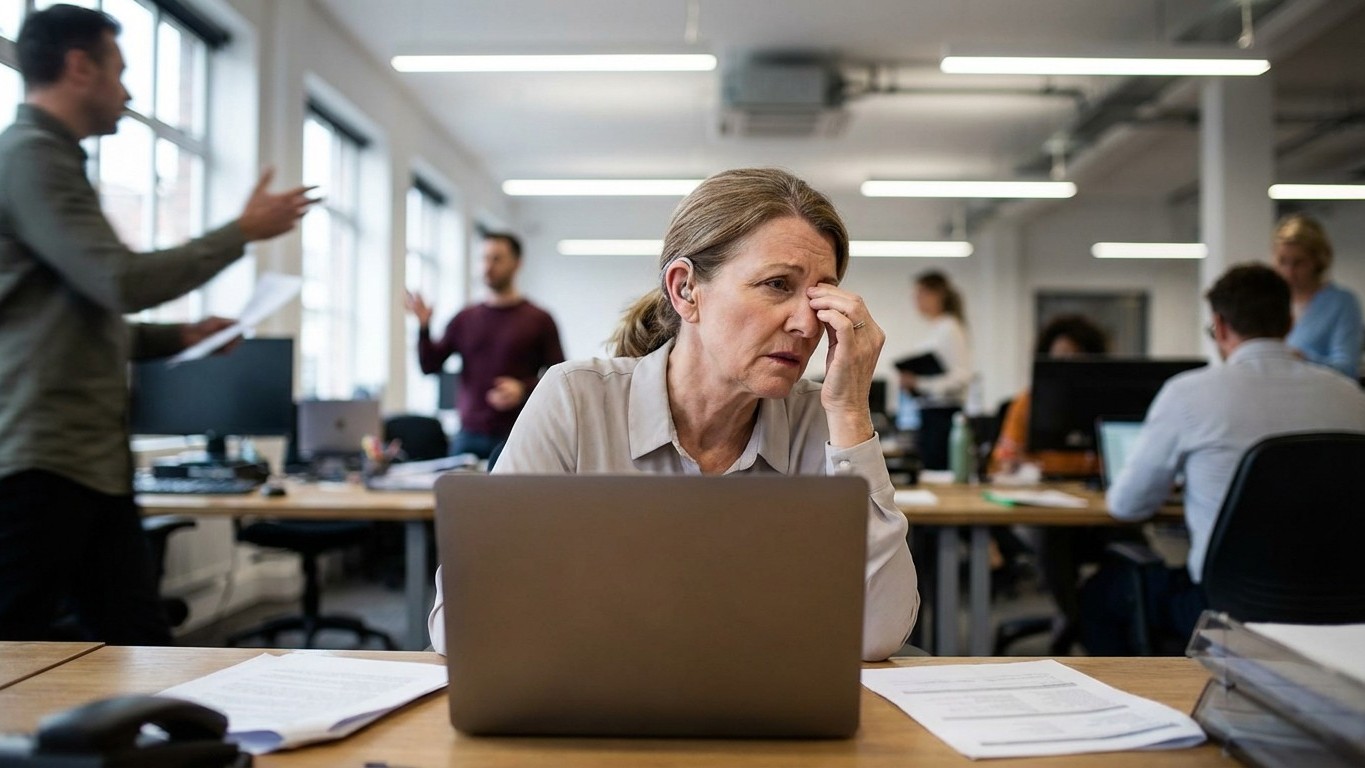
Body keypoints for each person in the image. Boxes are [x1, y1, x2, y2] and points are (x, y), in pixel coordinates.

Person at [428, 168, 919, 661]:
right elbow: (462, 621)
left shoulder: (822, 422)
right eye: (776, 285)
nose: (804, 323)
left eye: (819, 296)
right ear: (686, 290)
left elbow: (877, 633)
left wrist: (852, 411)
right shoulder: (575, 400)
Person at [0, 4, 315, 644]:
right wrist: (240, 233)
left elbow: (76, 321)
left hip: (87, 459)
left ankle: (160, 744)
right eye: (119, 70)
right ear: (79, 66)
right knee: (21, 641)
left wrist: (180, 337)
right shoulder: (31, 158)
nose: (129, 90)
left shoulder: (54, 163)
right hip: (44, 456)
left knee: (136, 642)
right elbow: (120, 281)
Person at [1080, 264, 1365, 654]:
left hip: (1225, 609)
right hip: (1342, 605)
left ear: (1220, 325)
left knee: (1100, 595)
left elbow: (1127, 505)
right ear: (1289, 321)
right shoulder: (1350, 396)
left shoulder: (1190, 394)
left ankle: (1135, 709)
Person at [405, 232, 565, 466]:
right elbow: (430, 366)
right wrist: (423, 328)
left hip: (520, 432)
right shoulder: (465, 318)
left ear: (517, 264)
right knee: (459, 501)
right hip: (468, 435)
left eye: (497, 259)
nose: (487, 267)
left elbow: (558, 376)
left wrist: (523, 388)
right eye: (484, 258)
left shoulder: (539, 319)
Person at [989, 314, 1108, 478]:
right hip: (1042, 488)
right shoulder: (1027, 402)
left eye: (1076, 359)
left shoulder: (1106, 403)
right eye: (1060, 359)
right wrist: (1013, 462)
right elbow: (1001, 460)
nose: (1067, 368)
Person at [897, 271, 972, 471]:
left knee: (938, 471)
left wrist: (919, 383)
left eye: (921, 294)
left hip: (943, 417)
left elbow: (961, 377)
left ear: (937, 294)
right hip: (929, 414)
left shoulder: (950, 328)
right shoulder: (937, 328)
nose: (916, 300)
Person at [1272, 213, 1362, 379]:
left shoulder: (1342, 303)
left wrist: (1304, 360)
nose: (1289, 272)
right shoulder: (1271, 301)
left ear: (1318, 261)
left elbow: (1347, 368)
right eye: (1282, 261)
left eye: (1299, 263)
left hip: (1320, 394)